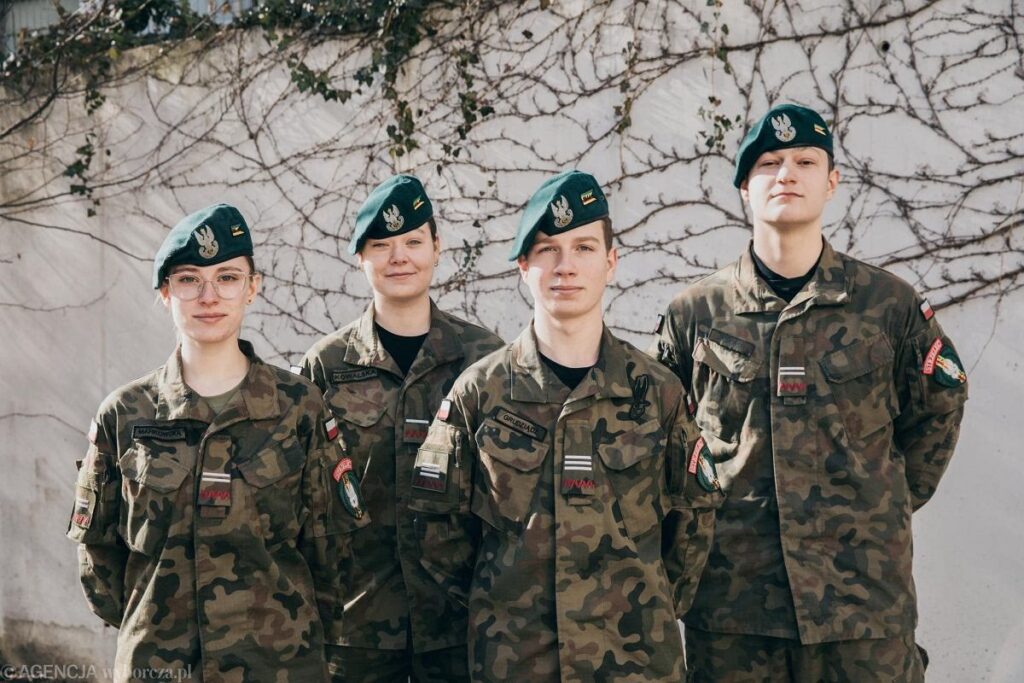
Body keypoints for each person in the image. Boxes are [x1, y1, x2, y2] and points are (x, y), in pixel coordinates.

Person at [651, 103, 969, 682]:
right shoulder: (695, 315)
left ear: (832, 181)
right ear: (745, 187)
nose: (786, 175)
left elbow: (938, 412)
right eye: (768, 163)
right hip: (734, 609)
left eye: (804, 161)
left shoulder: (888, 306)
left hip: (863, 605)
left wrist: (879, 502)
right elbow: (666, 445)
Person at [410, 170, 723, 682]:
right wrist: (503, 605)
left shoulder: (657, 392)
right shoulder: (479, 393)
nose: (566, 266)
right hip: (516, 662)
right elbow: (437, 531)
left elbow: (693, 524)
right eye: (547, 250)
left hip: (636, 662)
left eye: (583, 248)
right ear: (523, 266)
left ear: (611, 262)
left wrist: (644, 605)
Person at [67, 203, 361, 682]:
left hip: (280, 666)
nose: (209, 296)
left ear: (252, 287)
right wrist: (158, 628)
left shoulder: (299, 406)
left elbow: (333, 550)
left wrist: (295, 633)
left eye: (227, 277)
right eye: (189, 279)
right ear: (165, 292)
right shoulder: (126, 414)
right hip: (159, 667)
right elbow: (98, 559)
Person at [300, 174, 503, 682]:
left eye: (413, 242)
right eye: (381, 246)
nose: (399, 258)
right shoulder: (327, 366)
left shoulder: (484, 359)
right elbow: (301, 496)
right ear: (360, 258)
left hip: (460, 622)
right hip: (357, 627)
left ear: (437, 247)